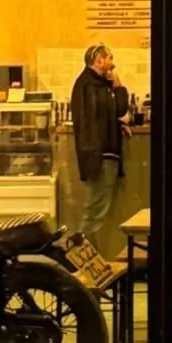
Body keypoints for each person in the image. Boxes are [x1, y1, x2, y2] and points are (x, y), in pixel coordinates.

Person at [70, 44, 129, 243]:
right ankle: (82, 252)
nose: (113, 64)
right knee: (96, 206)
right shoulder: (91, 86)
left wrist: (117, 121)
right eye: (110, 58)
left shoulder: (93, 84)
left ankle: (85, 251)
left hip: (100, 153)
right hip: (100, 154)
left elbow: (109, 113)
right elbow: (115, 111)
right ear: (99, 60)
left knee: (97, 205)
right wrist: (118, 86)